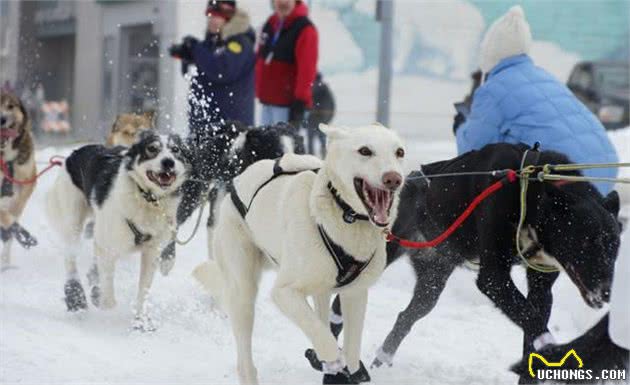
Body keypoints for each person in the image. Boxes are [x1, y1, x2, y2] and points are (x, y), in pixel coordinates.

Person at [454, 6, 618, 195]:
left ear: (489, 53)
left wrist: (461, 123)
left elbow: (471, 154)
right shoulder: (544, 76)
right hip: (602, 172)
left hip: (562, 182)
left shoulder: (493, 88)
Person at [169, 0, 255, 136]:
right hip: (205, 121)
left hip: (229, 126)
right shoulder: (212, 44)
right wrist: (187, 55)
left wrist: (196, 49)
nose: (213, 20)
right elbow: (193, 72)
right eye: (210, 16)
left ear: (230, 18)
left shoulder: (239, 43)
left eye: (218, 16)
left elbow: (221, 71)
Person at [255, 0, 318, 128]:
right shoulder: (271, 23)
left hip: (287, 105)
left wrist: (300, 100)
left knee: (283, 146)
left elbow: (307, 70)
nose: (283, 3)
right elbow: (260, 57)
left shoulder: (305, 28)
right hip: (267, 100)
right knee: (264, 146)